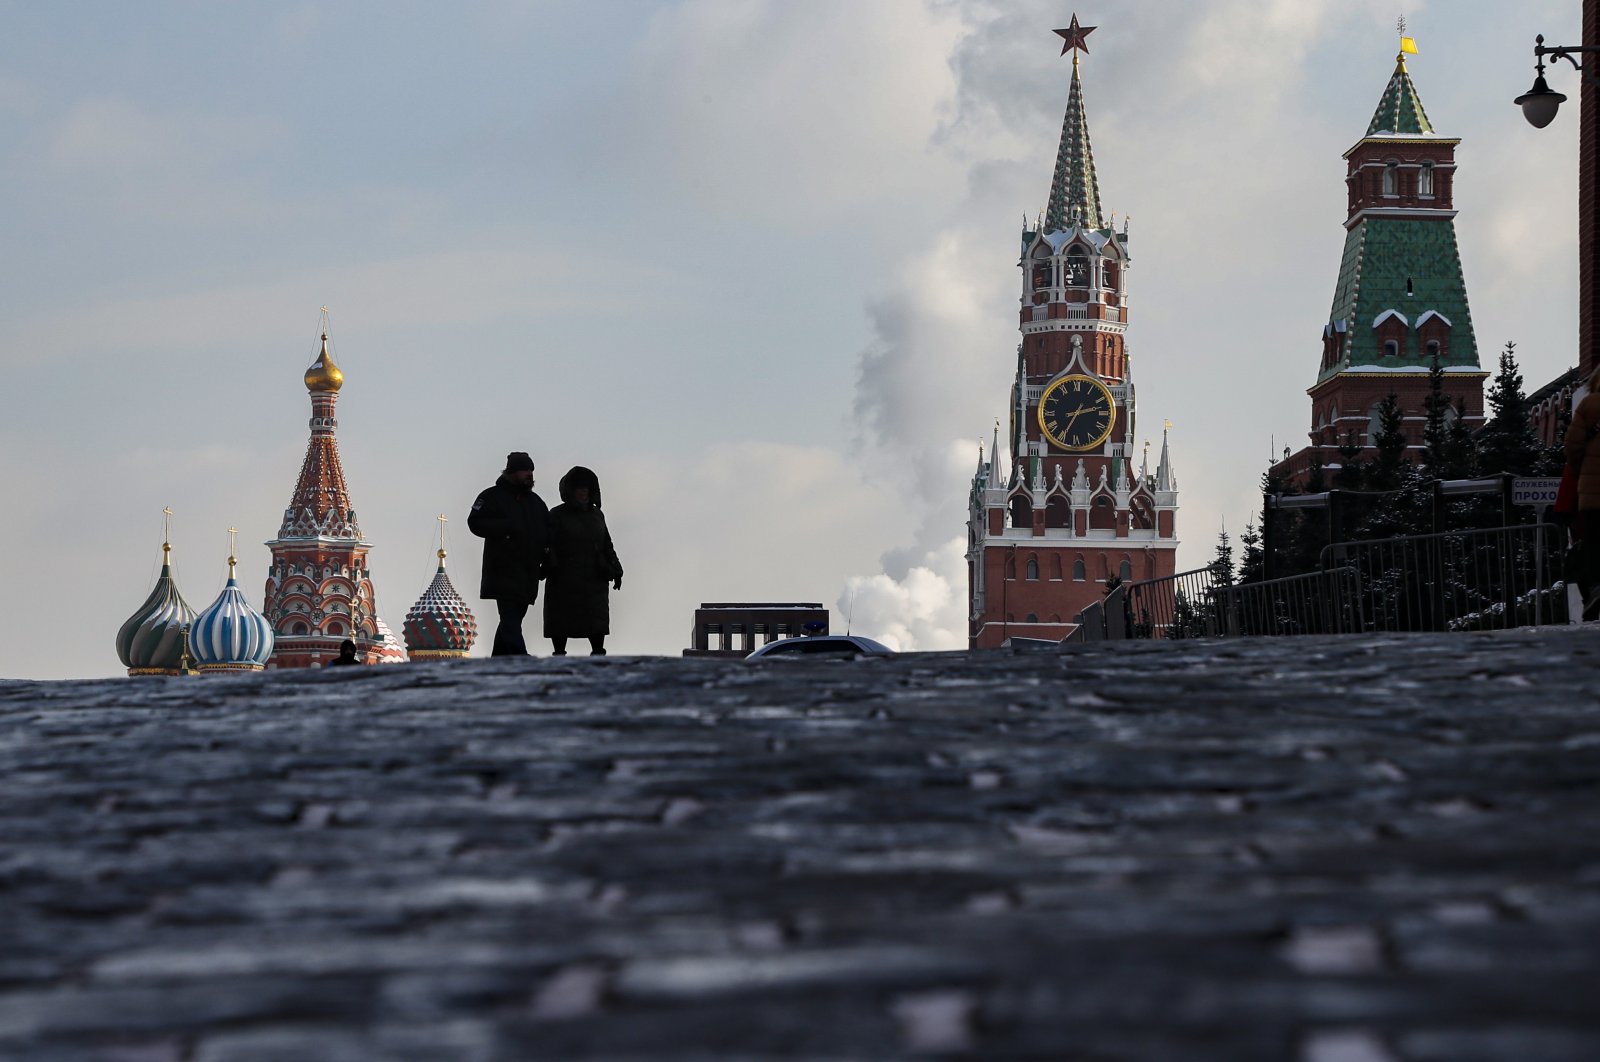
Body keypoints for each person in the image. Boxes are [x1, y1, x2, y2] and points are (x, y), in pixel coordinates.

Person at [468, 452, 551, 655]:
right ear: (512, 472)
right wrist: (507, 528)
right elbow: (475, 522)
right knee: (510, 616)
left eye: (531, 470)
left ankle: (500, 658)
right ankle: (519, 655)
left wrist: (547, 560)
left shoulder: (536, 503)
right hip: (502, 569)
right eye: (525, 470)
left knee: (513, 617)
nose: (529, 475)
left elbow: (547, 534)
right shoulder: (491, 497)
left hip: (528, 571)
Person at [543, 466, 623, 656]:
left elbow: (606, 543)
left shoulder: (597, 515)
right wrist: (547, 565)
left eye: (586, 487)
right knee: (560, 621)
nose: (583, 491)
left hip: (595, 577)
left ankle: (598, 653)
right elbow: (545, 544)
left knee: (596, 623)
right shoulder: (556, 515)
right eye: (579, 487)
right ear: (570, 491)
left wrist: (616, 569)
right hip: (564, 578)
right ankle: (559, 654)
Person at [1565, 368, 1600, 619]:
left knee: (1594, 541)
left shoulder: (1589, 405)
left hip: (1593, 492)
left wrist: (1583, 470)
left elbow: (1572, 446)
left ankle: (1597, 586)